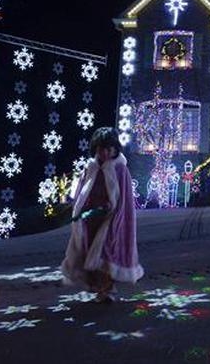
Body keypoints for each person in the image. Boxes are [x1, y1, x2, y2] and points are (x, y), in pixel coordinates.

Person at [61, 126, 144, 301]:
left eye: (108, 149)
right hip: (91, 219)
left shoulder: (120, 169)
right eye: (101, 149)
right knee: (90, 251)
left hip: (111, 218)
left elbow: (124, 199)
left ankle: (107, 289)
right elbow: (82, 192)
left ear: (115, 149)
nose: (105, 153)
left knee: (106, 251)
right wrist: (80, 211)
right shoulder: (90, 168)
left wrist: (114, 212)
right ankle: (99, 288)